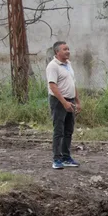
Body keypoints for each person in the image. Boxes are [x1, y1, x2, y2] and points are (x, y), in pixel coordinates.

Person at [46, 41, 81, 169]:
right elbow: (52, 85)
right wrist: (64, 102)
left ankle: (66, 157)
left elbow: (73, 83)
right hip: (59, 102)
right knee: (59, 130)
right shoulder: (53, 66)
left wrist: (77, 101)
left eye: (68, 49)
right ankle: (57, 159)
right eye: (65, 49)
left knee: (68, 130)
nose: (68, 51)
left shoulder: (68, 64)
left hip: (70, 100)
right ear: (57, 52)